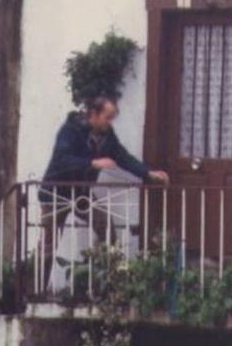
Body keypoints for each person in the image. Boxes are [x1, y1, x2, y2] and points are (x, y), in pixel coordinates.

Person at [39, 96, 170, 286]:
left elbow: (122, 156)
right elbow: (62, 160)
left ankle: (103, 283)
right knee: (48, 245)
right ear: (94, 114)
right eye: (107, 118)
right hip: (55, 193)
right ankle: (34, 292)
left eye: (112, 118)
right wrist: (93, 163)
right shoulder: (70, 130)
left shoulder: (107, 135)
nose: (110, 123)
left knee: (105, 226)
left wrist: (147, 173)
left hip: (80, 194)